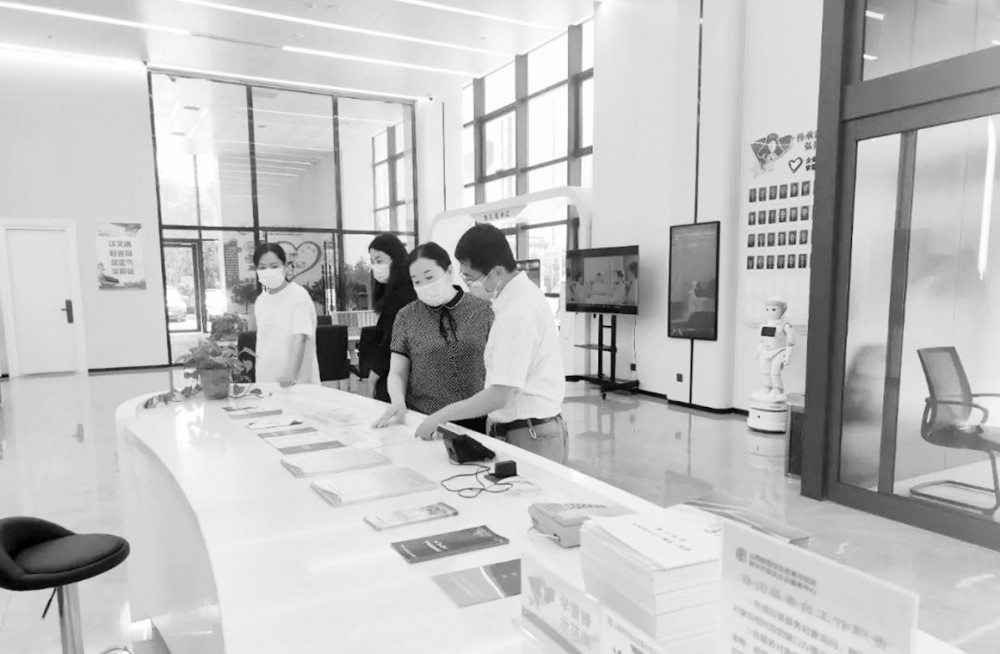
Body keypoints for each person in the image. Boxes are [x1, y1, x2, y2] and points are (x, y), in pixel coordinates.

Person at [414, 224, 567, 463]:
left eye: (470, 277)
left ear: (496, 271)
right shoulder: (517, 298)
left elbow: (499, 395)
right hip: (528, 430)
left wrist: (440, 416)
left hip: (529, 434)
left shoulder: (516, 313)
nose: (467, 284)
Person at [372, 243, 494, 433]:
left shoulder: (483, 310)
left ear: (449, 271)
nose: (424, 286)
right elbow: (397, 372)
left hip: (477, 418)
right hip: (425, 418)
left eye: (429, 277)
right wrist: (397, 400)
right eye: (417, 281)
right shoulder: (407, 316)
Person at [252, 243, 320, 387]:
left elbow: (300, 338)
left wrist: (290, 375)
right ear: (256, 269)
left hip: (296, 382)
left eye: (274, 266)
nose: (268, 271)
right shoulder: (260, 301)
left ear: (285, 266)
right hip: (266, 380)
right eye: (262, 267)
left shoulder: (298, 296)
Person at [366, 234, 417, 402]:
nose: (376, 266)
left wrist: (374, 375)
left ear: (396, 258)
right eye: (373, 262)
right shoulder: (392, 291)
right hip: (396, 369)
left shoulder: (404, 293)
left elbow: (393, 340)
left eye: (379, 260)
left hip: (400, 373)